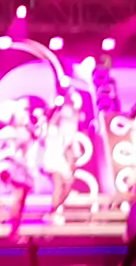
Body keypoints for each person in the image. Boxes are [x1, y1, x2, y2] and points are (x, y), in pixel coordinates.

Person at [0, 102, 36, 241]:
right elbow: (11, 152)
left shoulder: (6, 133)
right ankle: (13, 230)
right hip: (11, 168)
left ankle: (14, 228)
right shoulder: (11, 133)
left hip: (11, 168)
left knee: (19, 199)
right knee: (18, 198)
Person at [42, 94, 83, 224]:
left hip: (60, 160)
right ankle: (53, 213)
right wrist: (57, 110)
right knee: (58, 186)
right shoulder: (49, 129)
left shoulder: (61, 131)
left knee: (68, 187)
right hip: (52, 160)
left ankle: (53, 210)